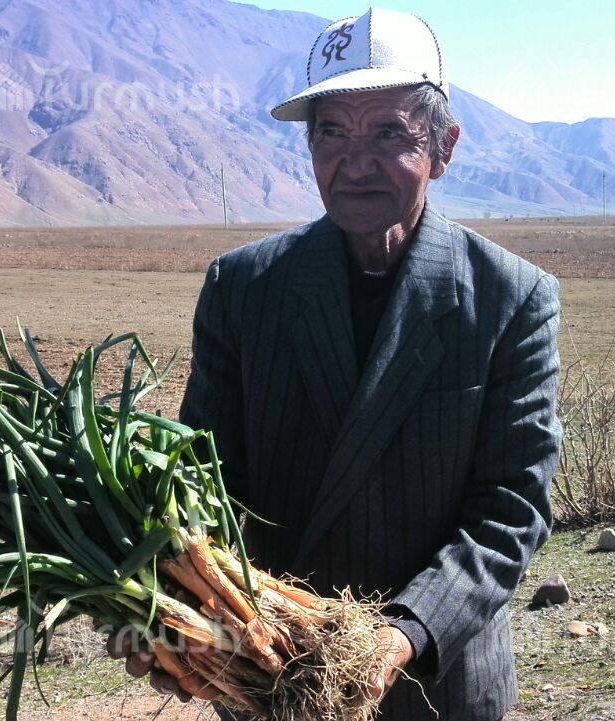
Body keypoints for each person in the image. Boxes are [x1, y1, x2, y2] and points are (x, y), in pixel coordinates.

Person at [109, 8, 562, 720]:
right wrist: (178, 613)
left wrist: (402, 635)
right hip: (273, 678)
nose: (355, 163)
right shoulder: (244, 289)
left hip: (436, 689)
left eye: (388, 133)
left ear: (443, 147)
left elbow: (511, 508)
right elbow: (205, 485)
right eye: (331, 133)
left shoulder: (510, 298)